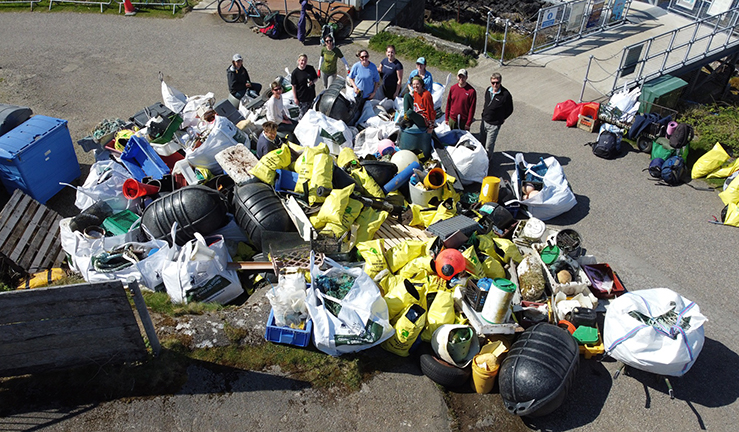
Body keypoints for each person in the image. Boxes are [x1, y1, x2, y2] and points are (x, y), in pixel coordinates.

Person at [480, 72, 513, 158]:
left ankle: (487, 163)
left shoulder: (505, 95)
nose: (495, 85)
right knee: (481, 142)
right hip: (484, 121)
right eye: (493, 82)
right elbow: (486, 103)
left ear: (500, 82)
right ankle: (480, 159)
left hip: (494, 125)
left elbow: (510, 109)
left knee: (489, 146)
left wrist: (502, 118)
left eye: (497, 82)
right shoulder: (488, 90)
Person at [291, 54, 318, 119]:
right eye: (302, 60)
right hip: (302, 98)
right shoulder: (295, 73)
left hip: (311, 96)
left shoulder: (310, 68)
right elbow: (293, 86)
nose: (303, 62)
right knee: (303, 116)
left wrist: (313, 82)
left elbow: (316, 78)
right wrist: (295, 98)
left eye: (305, 61)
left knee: (312, 113)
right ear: (298, 61)